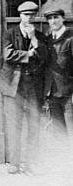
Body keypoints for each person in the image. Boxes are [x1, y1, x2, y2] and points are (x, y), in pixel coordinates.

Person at [0, 0, 48, 174]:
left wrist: (34, 39)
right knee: (14, 126)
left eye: (32, 15)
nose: (29, 18)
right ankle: (14, 163)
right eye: (26, 15)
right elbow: (7, 54)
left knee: (33, 126)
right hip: (13, 88)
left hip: (33, 87)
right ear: (20, 16)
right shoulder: (10, 33)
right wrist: (29, 54)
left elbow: (44, 57)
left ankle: (30, 163)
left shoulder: (40, 36)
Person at [42, 7, 73, 141]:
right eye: (50, 18)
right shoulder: (48, 40)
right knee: (58, 133)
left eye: (56, 17)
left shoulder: (70, 38)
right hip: (53, 93)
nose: (53, 21)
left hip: (69, 94)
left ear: (63, 19)